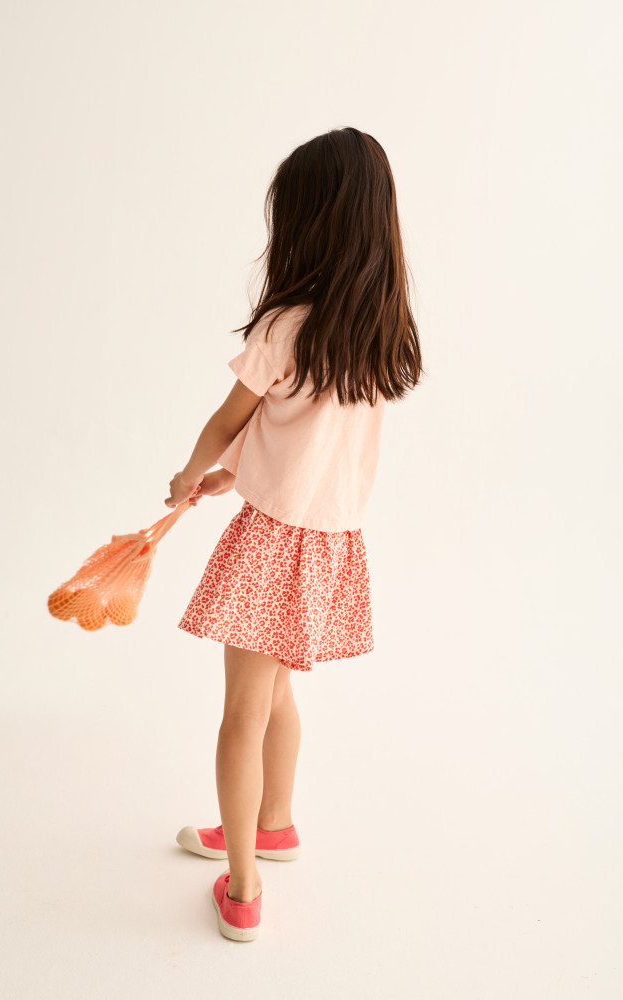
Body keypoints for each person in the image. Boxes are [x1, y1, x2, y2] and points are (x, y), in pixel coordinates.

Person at [163, 127, 423, 942]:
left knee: (242, 713)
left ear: (309, 220)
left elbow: (229, 418)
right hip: (333, 544)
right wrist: (235, 474)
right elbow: (310, 441)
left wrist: (191, 472)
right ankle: (273, 823)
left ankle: (242, 885)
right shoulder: (379, 329)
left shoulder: (284, 326)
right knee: (276, 693)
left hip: (273, 544)